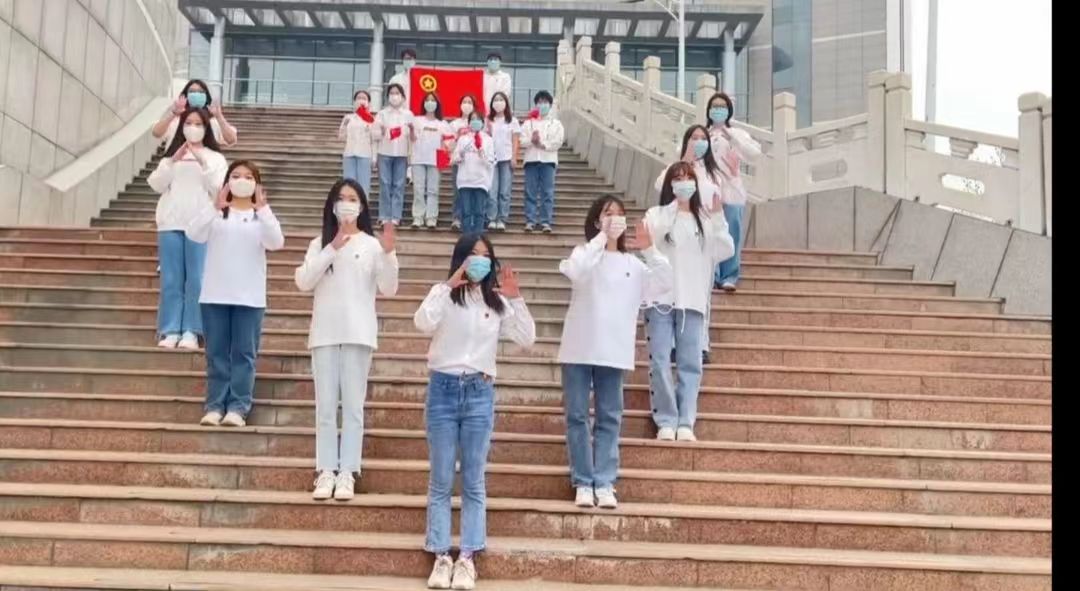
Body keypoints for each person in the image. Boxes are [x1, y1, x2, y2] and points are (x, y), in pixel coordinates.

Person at [414, 234, 536, 590]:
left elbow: (527, 338)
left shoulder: (496, 302)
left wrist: (517, 298)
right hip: (443, 389)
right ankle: (441, 555)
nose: (479, 261)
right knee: (441, 478)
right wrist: (447, 285)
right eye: (473, 255)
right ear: (461, 259)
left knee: (473, 479)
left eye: (485, 255)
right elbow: (422, 322)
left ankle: (467, 557)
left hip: (479, 393)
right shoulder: (446, 295)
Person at [558, 195, 672, 510]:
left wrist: (649, 249)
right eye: (608, 214)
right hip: (578, 349)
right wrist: (600, 238)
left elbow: (664, 282)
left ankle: (605, 481)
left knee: (609, 417)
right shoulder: (584, 254)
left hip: (614, 351)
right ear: (597, 220)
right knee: (577, 416)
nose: (615, 219)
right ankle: (583, 481)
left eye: (620, 214)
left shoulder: (633, 265)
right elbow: (576, 270)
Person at [294, 179, 399, 501]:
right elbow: (303, 281)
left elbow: (389, 288)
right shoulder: (320, 243)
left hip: (358, 333)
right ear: (332, 205)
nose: (346, 203)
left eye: (352, 198)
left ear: (362, 206)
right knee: (325, 407)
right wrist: (332, 248)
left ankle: (348, 472)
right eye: (341, 198)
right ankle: (326, 470)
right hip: (325, 334)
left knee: (353, 407)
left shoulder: (372, 245)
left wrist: (389, 254)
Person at [188, 160, 285, 428]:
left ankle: (238, 407)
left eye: (248, 177)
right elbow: (194, 234)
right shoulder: (217, 214)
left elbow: (276, 242)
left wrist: (263, 209)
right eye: (236, 175)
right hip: (215, 295)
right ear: (227, 182)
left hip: (249, 297)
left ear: (257, 184)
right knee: (217, 354)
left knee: (244, 354)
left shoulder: (260, 217)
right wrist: (214, 207)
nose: (242, 180)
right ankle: (214, 405)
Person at [644, 162, 734, 442]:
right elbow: (647, 243)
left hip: (692, 301)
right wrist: (673, 209)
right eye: (678, 178)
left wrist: (718, 217)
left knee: (690, 364)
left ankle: (686, 421)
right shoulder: (656, 215)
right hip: (660, 300)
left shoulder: (704, 220)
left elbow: (725, 249)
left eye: (688, 178)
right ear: (670, 183)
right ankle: (665, 419)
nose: (684, 182)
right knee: (660, 361)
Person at [147, 107, 228, 351]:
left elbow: (219, 189)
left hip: (201, 224)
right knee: (171, 278)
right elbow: (156, 184)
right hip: (171, 223)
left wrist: (203, 162)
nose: (193, 128)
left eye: (198, 124)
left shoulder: (216, 158)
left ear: (206, 128)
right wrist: (172, 161)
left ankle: (192, 330)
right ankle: (170, 330)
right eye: (188, 123)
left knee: (197, 279)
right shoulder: (172, 156)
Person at [655, 125, 728, 365]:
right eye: (694, 138)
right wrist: (685, 160)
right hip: (677, 236)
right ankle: (674, 343)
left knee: (701, 293)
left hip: (703, 236)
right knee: (675, 290)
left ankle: (701, 344)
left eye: (702, 138)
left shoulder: (713, 174)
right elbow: (660, 185)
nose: (698, 142)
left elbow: (718, 204)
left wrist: (716, 221)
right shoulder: (676, 169)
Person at [706, 92, 761, 292]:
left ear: (729, 110)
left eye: (722, 106)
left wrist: (732, 138)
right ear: (709, 110)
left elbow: (754, 154)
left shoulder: (737, 134)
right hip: (708, 192)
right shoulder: (703, 133)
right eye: (714, 106)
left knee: (732, 232)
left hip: (732, 191)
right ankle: (712, 274)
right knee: (710, 233)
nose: (718, 110)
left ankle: (729, 276)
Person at [520, 90, 564, 233]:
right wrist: (532, 141)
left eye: (545, 102)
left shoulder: (556, 124)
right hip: (531, 160)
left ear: (550, 105)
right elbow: (521, 140)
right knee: (530, 192)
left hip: (548, 161)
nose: (542, 105)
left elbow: (558, 141)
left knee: (547, 192)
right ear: (536, 105)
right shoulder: (528, 123)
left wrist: (542, 144)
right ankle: (530, 221)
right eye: (540, 102)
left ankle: (546, 221)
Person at [409, 92, 453, 229]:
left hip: (435, 159)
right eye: (427, 100)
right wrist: (411, 129)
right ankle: (418, 217)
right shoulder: (417, 120)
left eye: (433, 100)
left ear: (437, 104)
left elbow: (449, 143)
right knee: (418, 189)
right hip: (418, 159)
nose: (430, 102)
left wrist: (446, 153)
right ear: (423, 103)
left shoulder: (442, 124)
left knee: (433, 190)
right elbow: (413, 139)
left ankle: (431, 218)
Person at [373, 83, 414, 225]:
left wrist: (411, 158)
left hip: (401, 154)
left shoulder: (408, 115)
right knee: (385, 184)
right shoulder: (382, 114)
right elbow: (374, 135)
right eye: (392, 93)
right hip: (384, 153)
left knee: (399, 185)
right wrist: (381, 131)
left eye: (397, 93)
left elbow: (412, 138)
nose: (394, 96)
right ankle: (384, 215)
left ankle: (396, 216)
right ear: (388, 96)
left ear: (402, 97)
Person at [152, 79, 238, 146]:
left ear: (206, 96)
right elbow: (156, 133)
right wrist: (173, 114)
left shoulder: (213, 122)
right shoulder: (176, 120)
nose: (196, 94)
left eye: (201, 92)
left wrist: (219, 116)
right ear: (185, 95)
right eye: (192, 91)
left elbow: (231, 140)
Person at [452, 111, 496, 234]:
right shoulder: (463, 139)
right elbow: (454, 158)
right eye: (472, 119)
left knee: (479, 212)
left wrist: (483, 155)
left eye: (478, 119)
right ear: (469, 122)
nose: (475, 121)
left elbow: (492, 161)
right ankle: (467, 238)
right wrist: (460, 155)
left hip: (481, 181)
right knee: (466, 212)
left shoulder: (488, 140)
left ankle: (477, 237)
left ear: (482, 122)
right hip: (465, 180)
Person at [485, 92, 520, 231]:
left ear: (506, 102)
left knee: (504, 191)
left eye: (501, 99)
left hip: (506, 158)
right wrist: (488, 130)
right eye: (496, 100)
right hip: (491, 159)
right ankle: (491, 218)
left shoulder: (512, 120)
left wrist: (514, 157)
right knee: (492, 191)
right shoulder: (489, 120)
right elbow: (484, 139)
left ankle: (502, 218)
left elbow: (515, 140)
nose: (498, 102)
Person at [449, 94, 479, 232]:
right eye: (464, 102)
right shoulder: (454, 124)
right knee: (458, 191)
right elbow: (448, 144)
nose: (467, 105)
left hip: (474, 162)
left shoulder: (478, 123)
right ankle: (457, 218)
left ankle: (471, 218)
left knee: (473, 191)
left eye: (469, 102)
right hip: (458, 162)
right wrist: (457, 138)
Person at [338, 90, 377, 196]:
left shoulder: (371, 119)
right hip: (349, 154)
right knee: (349, 184)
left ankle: (363, 205)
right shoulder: (348, 117)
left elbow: (373, 140)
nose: (361, 100)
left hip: (365, 154)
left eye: (364, 98)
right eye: (358, 98)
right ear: (354, 101)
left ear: (368, 102)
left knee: (363, 185)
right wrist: (344, 126)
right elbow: (341, 137)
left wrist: (374, 157)